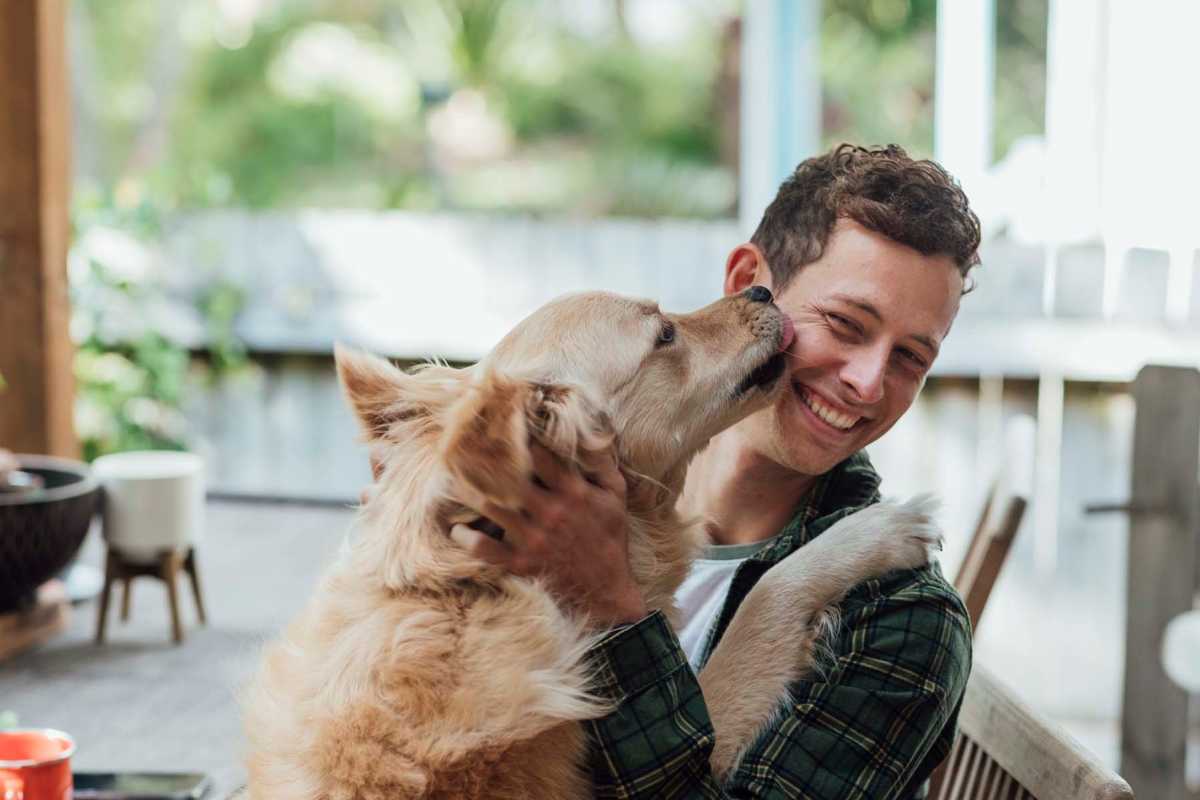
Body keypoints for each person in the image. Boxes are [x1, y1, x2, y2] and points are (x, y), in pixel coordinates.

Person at [441, 143, 980, 798]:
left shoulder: (899, 618)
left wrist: (610, 603)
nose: (866, 383)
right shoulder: (541, 510)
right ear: (745, 283)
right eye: (844, 322)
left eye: (910, 358)